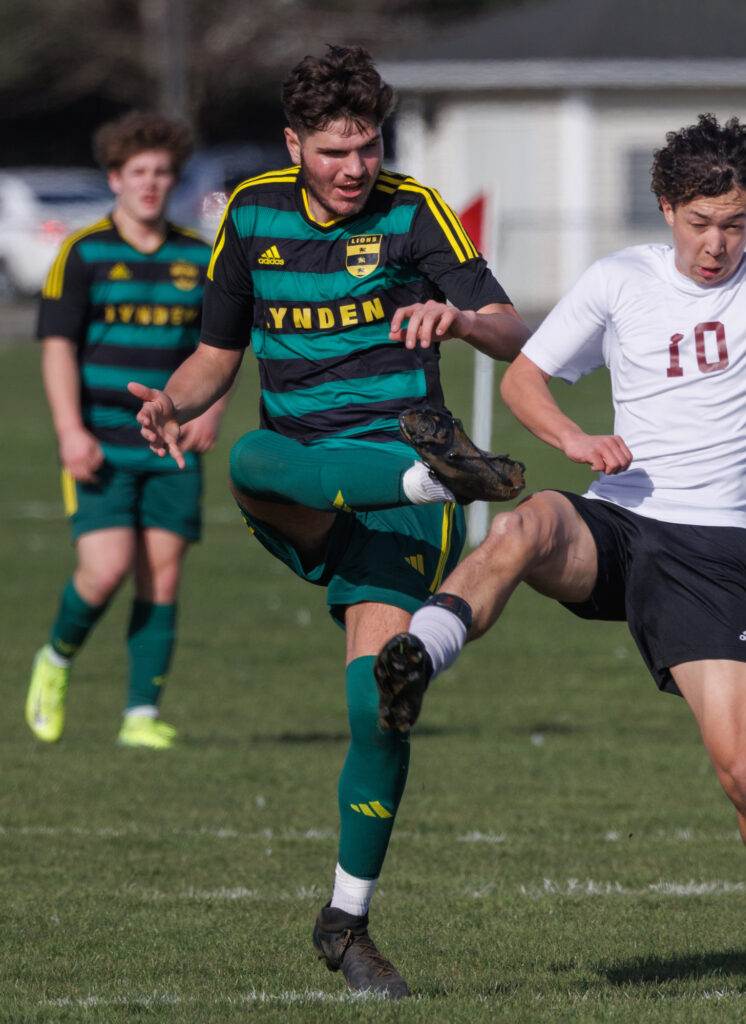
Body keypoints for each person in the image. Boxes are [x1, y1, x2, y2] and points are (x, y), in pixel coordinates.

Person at [375, 108, 746, 995]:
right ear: (665, 208)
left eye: (733, 223)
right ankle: (418, 653)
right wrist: (575, 440)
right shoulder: (619, 280)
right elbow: (525, 378)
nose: (715, 244)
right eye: (699, 223)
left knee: (745, 772)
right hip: (617, 520)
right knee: (528, 522)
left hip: (713, 548)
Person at [129, 45, 529, 1000]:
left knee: (374, 705)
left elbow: (515, 330)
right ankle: (436, 479)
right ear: (293, 145)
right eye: (335, 151)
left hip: (394, 510)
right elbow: (214, 359)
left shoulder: (412, 212)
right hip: (318, 484)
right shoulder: (252, 212)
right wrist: (171, 406)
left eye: (368, 147)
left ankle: (344, 923)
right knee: (251, 459)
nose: (355, 168)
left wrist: (457, 319)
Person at [26, 111, 229, 751]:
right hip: (101, 440)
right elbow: (58, 346)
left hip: (168, 445)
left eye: (163, 172)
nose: (151, 183)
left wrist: (211, 411)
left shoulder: (200, 257)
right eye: (138, 171)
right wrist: (69, 431)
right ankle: (55, 662)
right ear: (115, 177)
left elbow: (220, 348)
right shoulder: (83, 253)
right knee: (106, 570)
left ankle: (141, 714)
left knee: (161, 576)